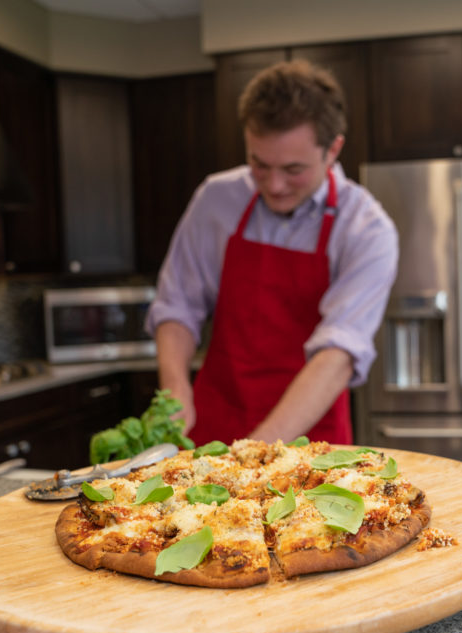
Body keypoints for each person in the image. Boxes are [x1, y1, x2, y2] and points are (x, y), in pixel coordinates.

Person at [146, 59, 398, 446]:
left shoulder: (367, 229)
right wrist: (175, 388)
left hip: (310, 443)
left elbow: (338, 353)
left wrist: (254, 453)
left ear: (333, 150)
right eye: (259, 165)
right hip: (214, 425)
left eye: (293, 169)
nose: (275, 185)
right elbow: (177, 306)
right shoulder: (216, 200)